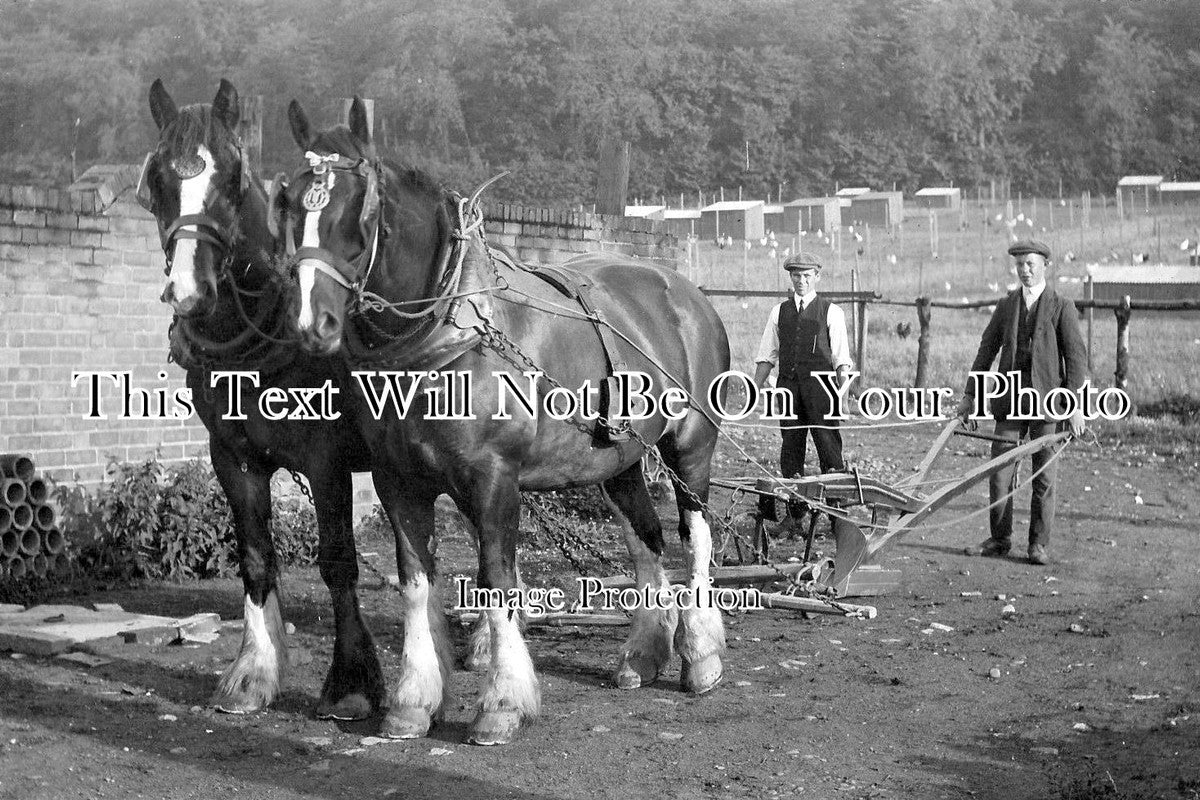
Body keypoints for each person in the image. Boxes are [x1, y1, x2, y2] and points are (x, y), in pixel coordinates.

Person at [956, 240, 1087, 566]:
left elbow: (1076, 359)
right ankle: (1000, 539)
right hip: (1010, 403)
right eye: (1020, 265)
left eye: (1031, 264)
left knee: (1044, 475)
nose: (1025, 271)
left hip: (1048, 405)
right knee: (1000, 472)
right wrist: (970, 396)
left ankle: (1038, 545)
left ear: (1045, 265)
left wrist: (1074, 408)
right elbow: (986, 352)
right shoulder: (1006, 306)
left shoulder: (1061, 306)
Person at [753, 252, 853, 516]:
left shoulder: (831, 312)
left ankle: (837, 517)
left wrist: (841, 396)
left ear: (817, 277)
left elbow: (842, 360)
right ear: (790, 277)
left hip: (822, 392)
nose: (802, 281)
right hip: (788, 391)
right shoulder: (779, 312)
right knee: (791, 450)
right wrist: (755, 387)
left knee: (829, 450)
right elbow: (767, 355)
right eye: (797, 276)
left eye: (807, 276)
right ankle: (795, 517)